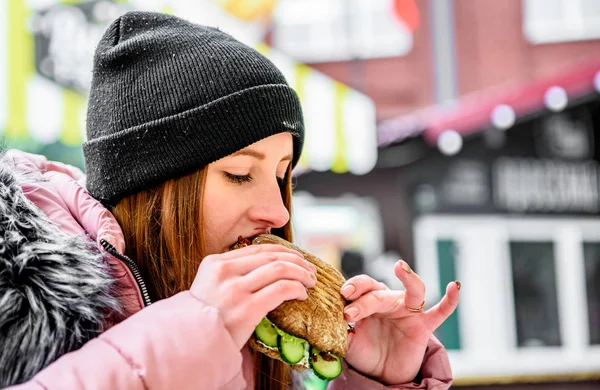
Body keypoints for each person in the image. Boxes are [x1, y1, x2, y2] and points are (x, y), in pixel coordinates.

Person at [0, 11, 459, 390]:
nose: (279, 212)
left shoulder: (257, 341)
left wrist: (374, 377)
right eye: (240, 174)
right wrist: (191, 336)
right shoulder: (22, 297)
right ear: (154, 187)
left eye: (282, 178)